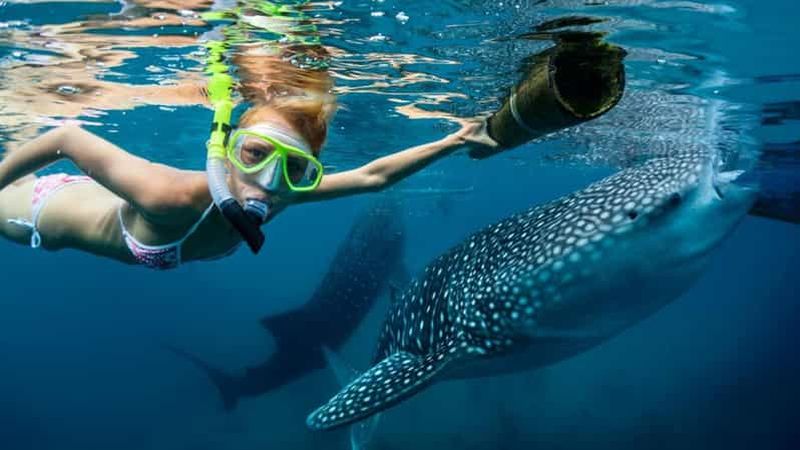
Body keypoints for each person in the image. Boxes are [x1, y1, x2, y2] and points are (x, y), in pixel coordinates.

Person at [0, 12, 497, 269]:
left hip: (87, 201)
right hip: (33, 211)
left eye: (294, 167)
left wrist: (455, 141)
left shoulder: (285, 193)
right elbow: (64, 134)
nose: (266, 181)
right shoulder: (167, 194)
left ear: (307, 172)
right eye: (255, 154)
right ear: (226, 148)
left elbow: (372, 176)